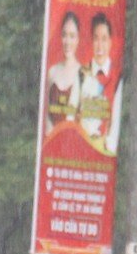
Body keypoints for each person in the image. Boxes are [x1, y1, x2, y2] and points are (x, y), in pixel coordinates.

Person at [79, 13, 121, 154]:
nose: (100, 45)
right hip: (81, 147)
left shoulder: (117, 77)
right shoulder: (81, 73)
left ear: (110, 42)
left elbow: (115, 124)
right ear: (91, 41)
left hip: (104, 152)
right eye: (96, 39)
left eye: (104, 39)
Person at [45, 12, 83, 130]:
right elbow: (47, 115)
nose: (67, 42)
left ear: (78, 39)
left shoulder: (84, 75)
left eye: (72, 36)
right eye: (64, 35)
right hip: (51, 142)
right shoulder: (52, 72)